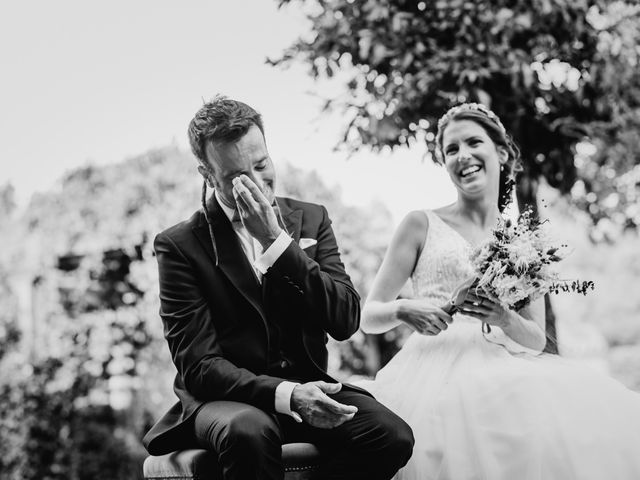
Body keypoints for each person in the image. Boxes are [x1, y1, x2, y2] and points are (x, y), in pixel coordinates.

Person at [360, 103, 640, 479]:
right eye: (451, 150)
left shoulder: (526, 242)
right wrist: (403, 310)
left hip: (504, 363)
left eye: (474, 142)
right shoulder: (419, 224)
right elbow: (368, 316)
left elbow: (536, 339)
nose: (463, 156)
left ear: (502, 152)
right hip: (431, 370)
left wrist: (504, 317)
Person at [142, 95, 413, 480]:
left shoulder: (312, 218)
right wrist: (286, 395)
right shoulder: (179, 245)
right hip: (224, 402)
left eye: (262, 164)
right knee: (250, 431)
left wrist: (277, 243)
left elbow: (345, 319)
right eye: (238, 176)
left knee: (391, 436)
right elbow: (199, 366)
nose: (256, 181)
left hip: (311, 386)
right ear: (207, 174)